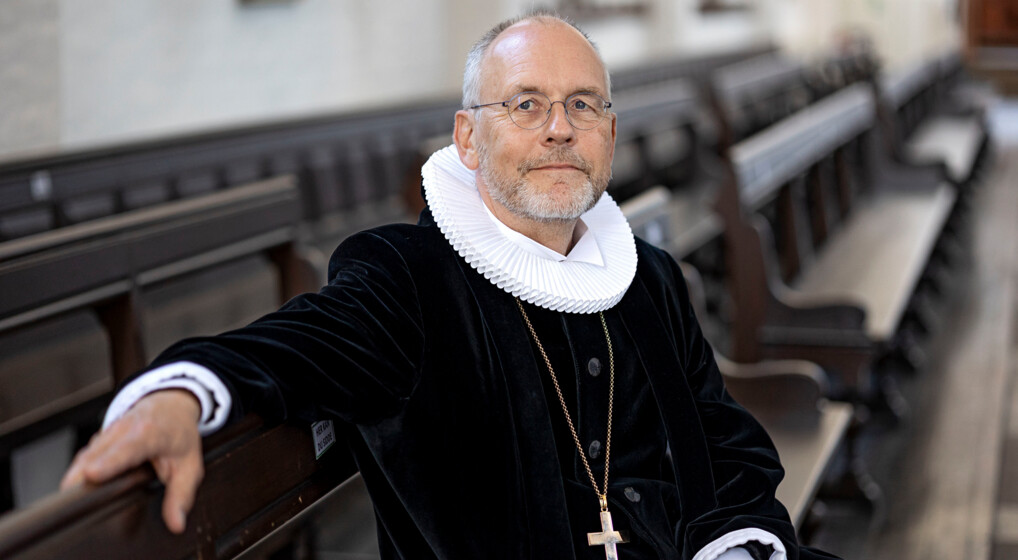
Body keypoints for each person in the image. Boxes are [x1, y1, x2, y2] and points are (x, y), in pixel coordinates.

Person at [62, 11, 840, 560]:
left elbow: (723, 441)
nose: (559, 128)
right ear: (469, 136)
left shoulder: (648, 278)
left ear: (610, 132)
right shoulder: (411, 277)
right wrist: (178, 394)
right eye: (526, 104)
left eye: (582, 105)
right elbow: (298, 345)